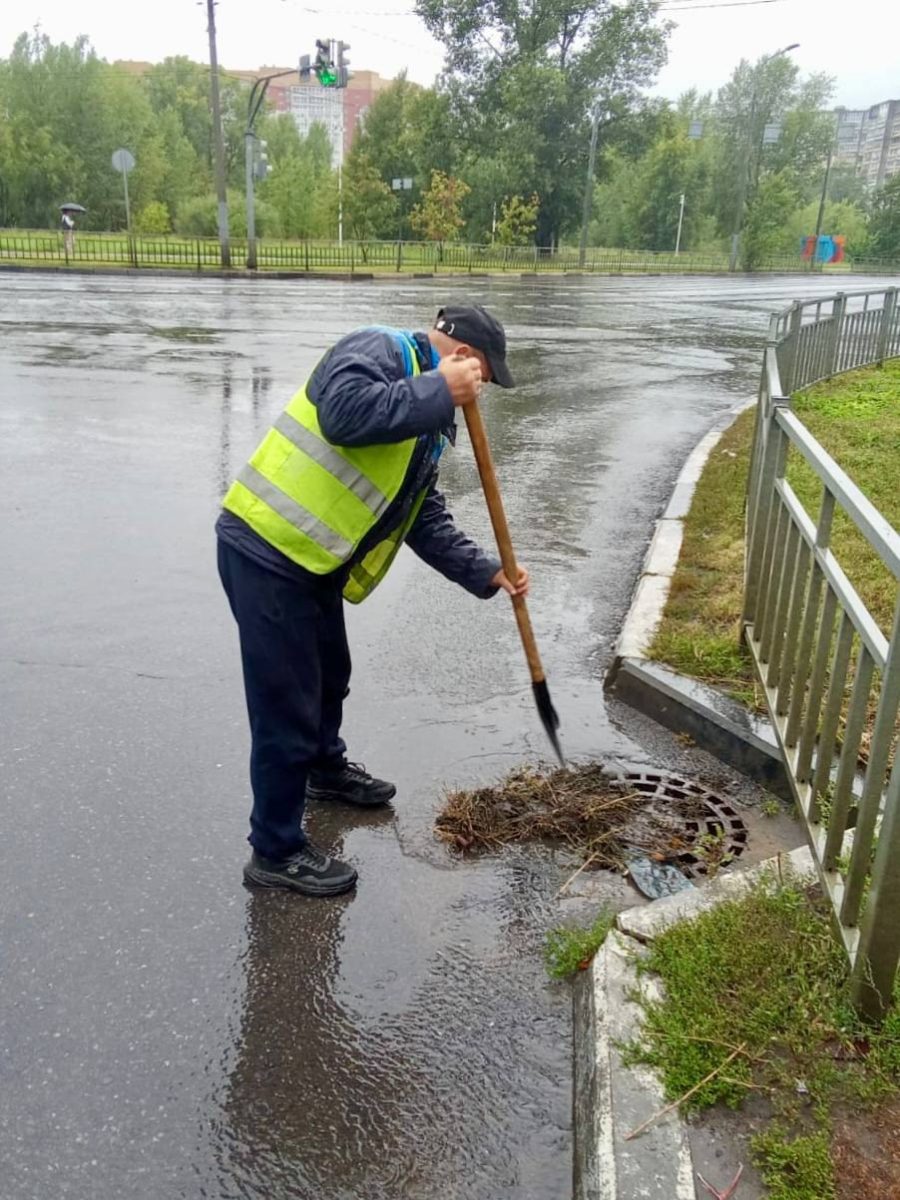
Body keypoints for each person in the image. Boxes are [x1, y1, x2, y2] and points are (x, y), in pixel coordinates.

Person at [217, 304, 529, 898]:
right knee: (286, 704)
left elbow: (421, 515)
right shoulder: (377, 349)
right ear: (462, 356)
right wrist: (440, 389)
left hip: (313, 563)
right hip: (264, 548)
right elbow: (343, 415)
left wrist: (487, 573)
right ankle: (275, 850)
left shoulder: (434, 422)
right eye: (484, 375)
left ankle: (323, 770)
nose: (480, 388)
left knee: (331, 677)